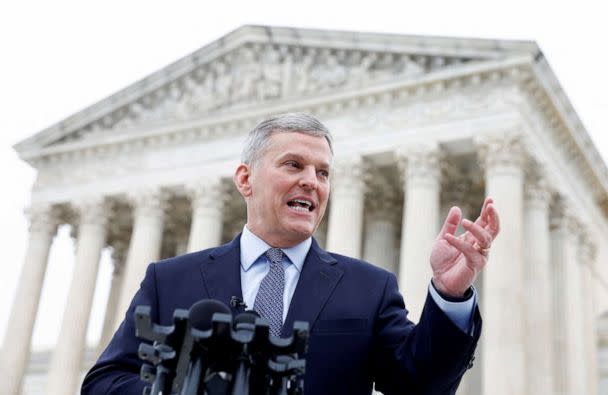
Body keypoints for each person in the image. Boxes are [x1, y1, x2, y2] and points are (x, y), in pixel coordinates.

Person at [83, 113, 500, 394]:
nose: (311, 182)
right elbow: (104, 382)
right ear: (246, 179)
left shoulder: (368, 288)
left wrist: (449, 296)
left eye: (322, 173)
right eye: (293, 165)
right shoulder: (171, 280)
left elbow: (421, 384)